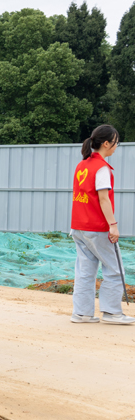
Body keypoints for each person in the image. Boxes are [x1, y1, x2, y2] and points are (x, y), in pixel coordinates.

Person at [70, 124, 133, 324]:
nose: (116, 146)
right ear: (106, 143)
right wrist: (113, 225)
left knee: (85, 271)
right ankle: (112, 312)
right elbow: (103, 199)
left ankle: (82, 313)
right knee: (115, 270)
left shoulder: (82, 164)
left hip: (78, 227)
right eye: (116, 142)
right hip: (97, 227)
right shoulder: (102, 168)